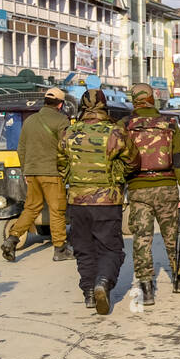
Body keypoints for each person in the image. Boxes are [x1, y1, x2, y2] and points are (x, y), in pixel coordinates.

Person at [56, 88, 137, 314]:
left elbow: (61, 165)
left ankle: (89, 293)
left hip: (78, 202)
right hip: (107, 201)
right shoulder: (115, 133)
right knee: (111, 249)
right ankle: (103, 281)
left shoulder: (68, 133)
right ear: (104, 106)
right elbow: (133, 162)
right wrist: (118, 177)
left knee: (84, 249)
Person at [124, 83, 180, 304]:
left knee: (142, 238)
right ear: (152, 98)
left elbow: (119, 159)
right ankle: (178, 278)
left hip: (137, 188)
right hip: (166, 187)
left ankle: (146, 288)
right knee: (173, 234)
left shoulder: (124, 125)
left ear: (134, 100)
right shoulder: (169, 123)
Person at [1, 86, 72, 263]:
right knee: (57, 210)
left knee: (31, 208)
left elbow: (21, 149)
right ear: (60, 104)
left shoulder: (30, 121)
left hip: (32, 173)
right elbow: (67, 147)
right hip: (52, 173)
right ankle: (60, 249)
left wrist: (26, 170)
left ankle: (12, 239)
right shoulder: (62, 120)